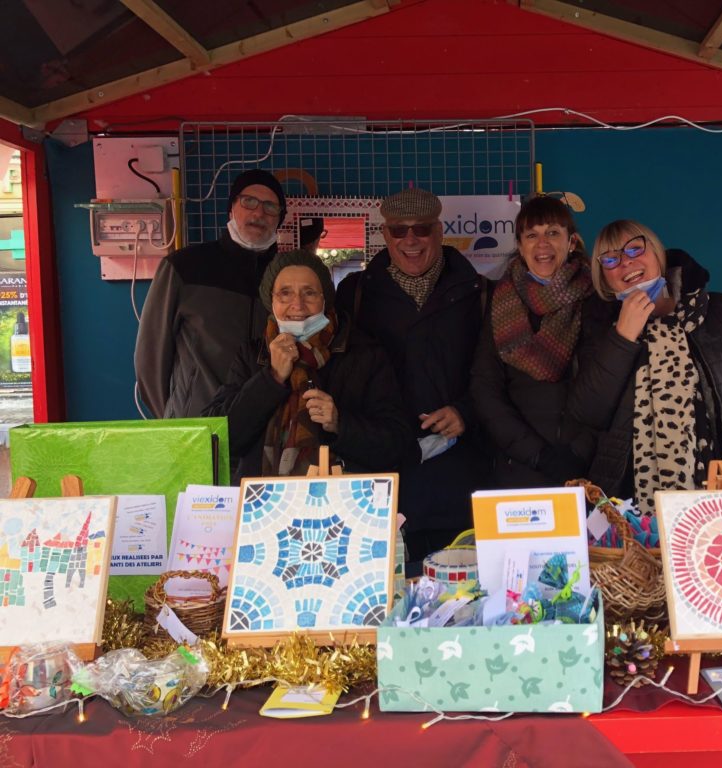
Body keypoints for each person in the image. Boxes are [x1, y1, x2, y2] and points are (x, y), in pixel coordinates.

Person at [568, 220, 722, 514]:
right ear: (604, 279)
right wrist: (622, 337)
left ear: (658, 254)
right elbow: (587, 412)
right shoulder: (599, 328)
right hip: (634, 507)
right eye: (611, 259)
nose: (626, 262)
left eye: (635, 248)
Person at [335, 188, 486, 562]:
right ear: (384, 235)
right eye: (399, 231)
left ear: (439, 231)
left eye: (421, 229)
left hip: (459, 481)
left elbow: (497, 375)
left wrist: (465, 411)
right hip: (381, 482)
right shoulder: (355, 295)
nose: (411, 240)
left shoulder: (479, 293)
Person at [205, 250, 411, 481]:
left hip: (341, 502)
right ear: (270, 301)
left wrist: (340, 423)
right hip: (264, 506)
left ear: (325, 300)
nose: (297, 305)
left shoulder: (364, 354)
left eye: (309, 293)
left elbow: (397, 443)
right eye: (285, 293)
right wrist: (271, 378)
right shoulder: (252, 355)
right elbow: (219, 440)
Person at [136, 169, 286, 418]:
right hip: (197, 425)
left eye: (270, 206)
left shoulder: (286, 276)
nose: (258, 213)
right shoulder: (184, 267)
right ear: (231, 208)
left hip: (264, 430)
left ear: (279, 218)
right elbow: (150, 356)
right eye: (249, 201)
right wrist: (175, 418)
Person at [470, 195, 595, 488]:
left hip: (587, 470)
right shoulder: (499, 301)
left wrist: (580, 452)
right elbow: (485, 387)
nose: (542, 244)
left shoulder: (597, 300)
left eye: (553, 233)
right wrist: (537, 454)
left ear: (572, 242)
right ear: (520, 246)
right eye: (532, 235)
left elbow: (609, 386)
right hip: (519, 469)